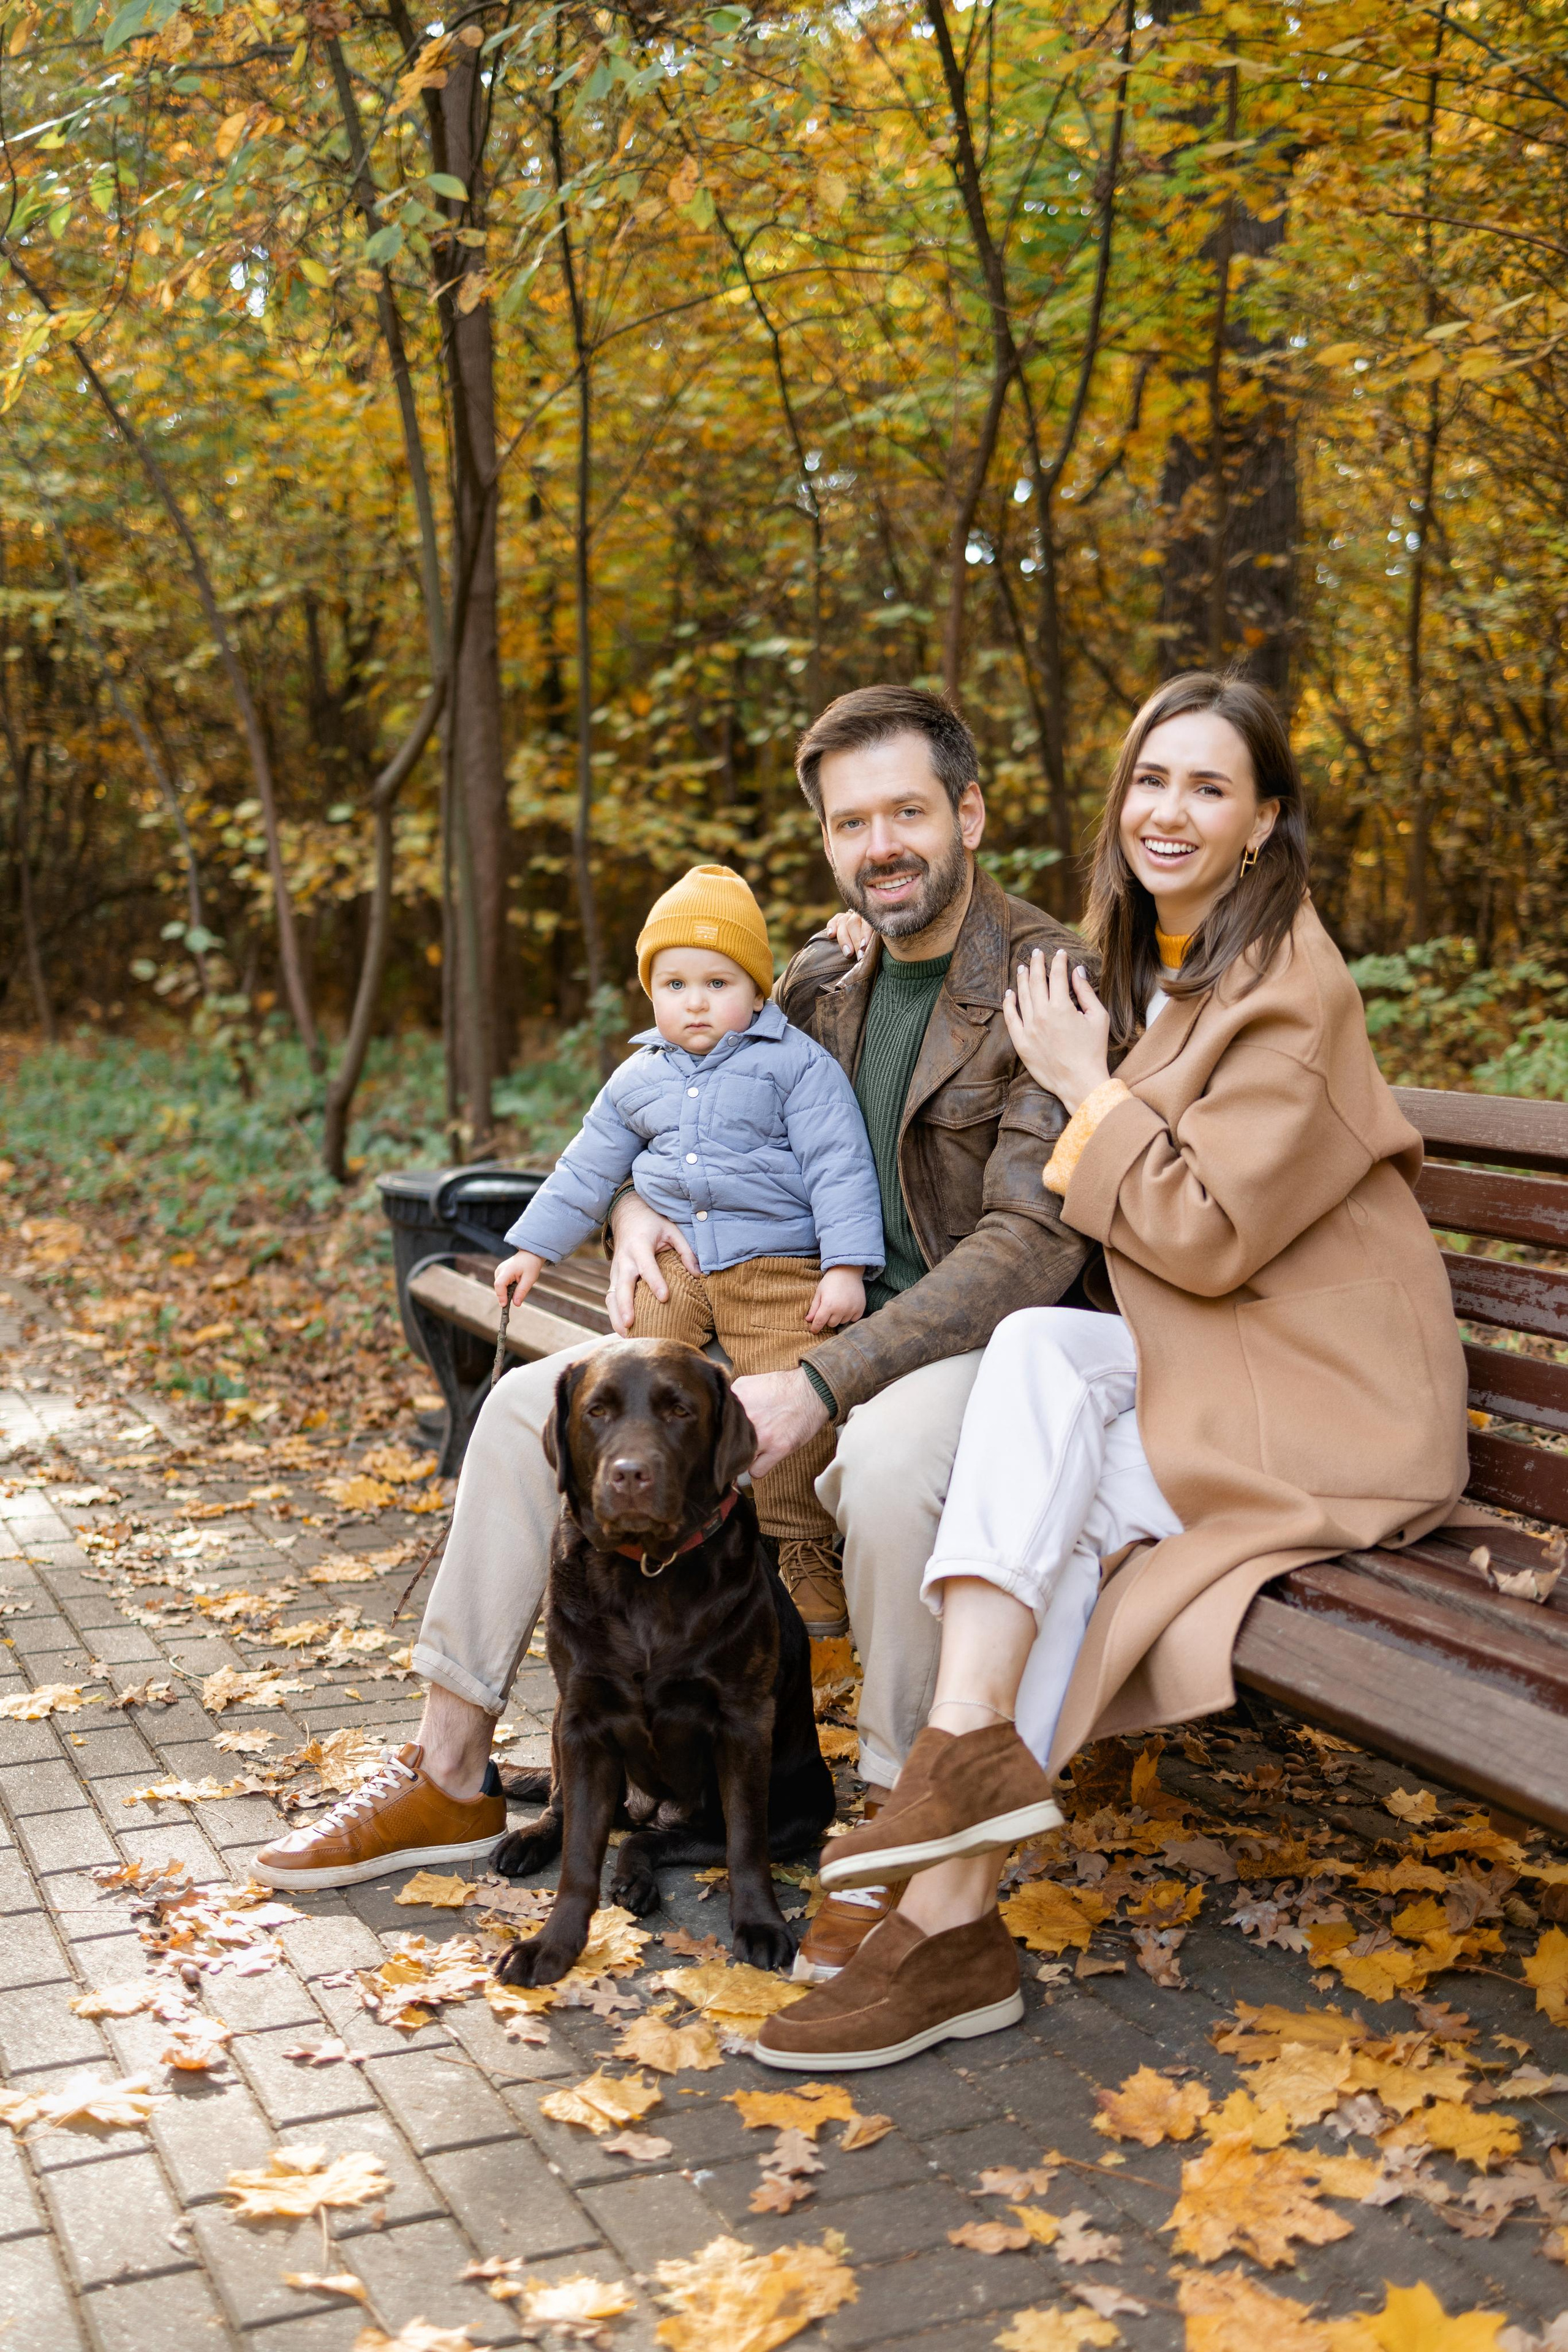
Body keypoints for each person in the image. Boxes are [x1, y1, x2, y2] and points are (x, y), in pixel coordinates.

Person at [251, 684, 1093, 1964]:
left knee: (887, 1460)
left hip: (957, 1340)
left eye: (907, 812)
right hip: (764, 1306)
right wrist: (637, 1201)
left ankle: (888, 1818)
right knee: (532, 1409)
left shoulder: (1040, 979)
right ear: (824, 841)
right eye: (850, 820)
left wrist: (821, 1379)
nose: (880, 845)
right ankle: (450, 1762)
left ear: (967, 813)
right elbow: (690, 1104)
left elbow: (1032, 1237)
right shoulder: (817, 972)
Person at [753, 669, 1470, 2071]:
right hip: (1225, 1364)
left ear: (1263, 820)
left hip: (1329, 1399)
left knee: (1047, 1462)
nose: (1168, 808)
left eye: (1208, 786)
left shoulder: (1287, 980)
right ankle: (956, 1856)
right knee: (1037, 1406)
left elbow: (1199, 1238)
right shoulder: (1142, 946)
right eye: (1149, 779)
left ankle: (947, 1887)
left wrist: (1091, 1089)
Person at [486, 862, 884, 1606]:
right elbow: (586, 1168)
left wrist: (846, 1267)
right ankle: (647, 1521)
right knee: (635, 1363)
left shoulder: (795, 1065)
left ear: (756, 989)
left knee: (783, 1385)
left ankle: (797, 1546)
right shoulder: (637, 1079)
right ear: (651, 992)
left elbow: (839, 1163)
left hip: (776, 1266)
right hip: (680, 1261)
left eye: (717, 983)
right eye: (674, 986)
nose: (695, 1002)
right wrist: (532, 1248)